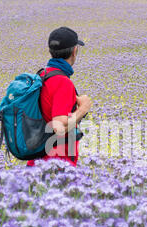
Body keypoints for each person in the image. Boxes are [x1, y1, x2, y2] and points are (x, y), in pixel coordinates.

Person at [26, 27, 92, 167]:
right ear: (74, 51)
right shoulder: (62, 82)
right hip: (57, 163)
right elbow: (59, 125)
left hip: (39, 159)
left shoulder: (43, 75)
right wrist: (84, 108)